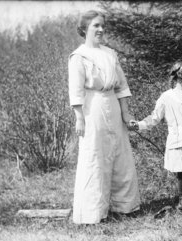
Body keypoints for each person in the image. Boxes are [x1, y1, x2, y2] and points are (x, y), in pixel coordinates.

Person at [68, 10, 140, 224]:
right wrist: (79, 117)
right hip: (93, 108)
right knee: (95, 156)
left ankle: (124, 206)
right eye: (95, 26)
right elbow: (76, 90)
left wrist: (125, 112)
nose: (100, 30)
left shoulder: (110, 53)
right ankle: (93, 212)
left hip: (113, 106)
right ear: (84, 29)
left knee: (120, 154)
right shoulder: (78, 56)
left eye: (102, 26)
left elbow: (122, 85)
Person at [130, 61, 182, 210]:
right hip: (177, 139)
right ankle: (181, 200)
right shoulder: (166, 97)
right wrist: (140, 124)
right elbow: (155, 117)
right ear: (180, 76)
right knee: (181, 171)